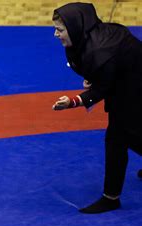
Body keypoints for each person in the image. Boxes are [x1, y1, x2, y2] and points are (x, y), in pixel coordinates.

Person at [51, 3, 142, 214]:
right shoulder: (93, 32)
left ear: (74, 27)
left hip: (134, 88)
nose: (56, 34)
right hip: (130, 79)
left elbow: (100, 90)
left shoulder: (100, 50)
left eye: (60, 30)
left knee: (119, 138)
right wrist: (97, 75)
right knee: (128, 134)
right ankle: (111, 197)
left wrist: (72, 102)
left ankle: (111, 198)